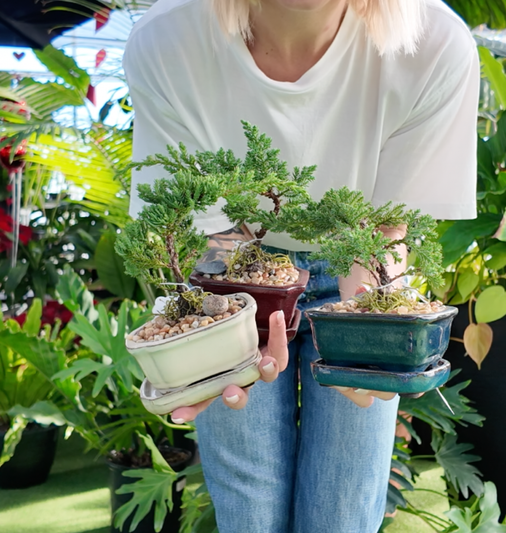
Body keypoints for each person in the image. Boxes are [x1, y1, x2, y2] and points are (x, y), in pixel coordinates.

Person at [123, 0, 479, 530]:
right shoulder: (169, 41)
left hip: (357, 268)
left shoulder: (431, 44)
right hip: (240, 268)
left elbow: (383, 228)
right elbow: (220, 230)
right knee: (249, 506)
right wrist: (222, 319)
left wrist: (369, 335)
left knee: (344, 508)